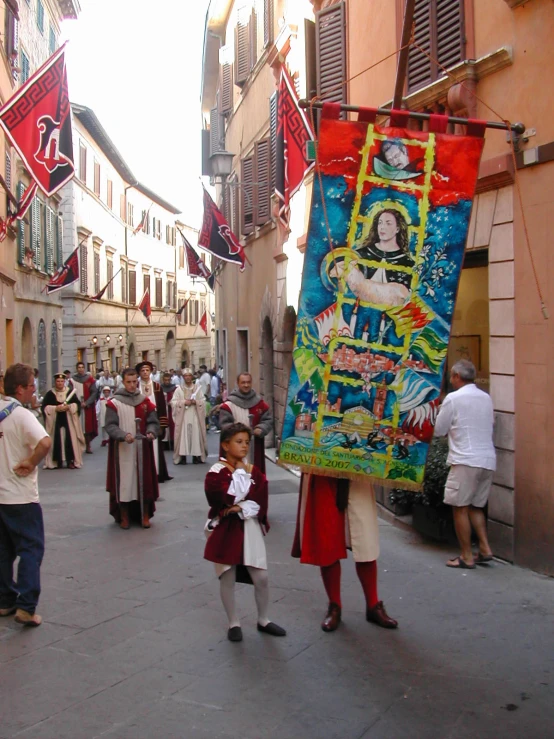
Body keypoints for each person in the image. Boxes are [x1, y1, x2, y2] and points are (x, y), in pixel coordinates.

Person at [204, 423, 286, 642]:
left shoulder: (252, 471)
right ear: (225, 445)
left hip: (249, 527)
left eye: (247, 443)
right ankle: (233, 622)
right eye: (238, 442)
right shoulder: (216, 472)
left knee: (261, 577)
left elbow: (260, 497)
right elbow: (223, 497)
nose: (244, 447)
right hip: (226, 529)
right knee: (227, 576)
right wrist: (241, 495)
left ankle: (263, 619)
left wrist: (242, 506)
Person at [292, 474, 398, 632]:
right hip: (322, 472)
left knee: (364, 540)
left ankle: (373, 605)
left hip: (358, 471)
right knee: (327, 541)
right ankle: (335, 605)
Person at [0, 363, 51, 626]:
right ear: (19, 389)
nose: (34, 390)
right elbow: (45, 442)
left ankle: (5, 600)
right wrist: (31, 462)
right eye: (32, 386)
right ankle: (27, 606)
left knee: (3, 550)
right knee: (31, 549)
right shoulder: (22, 415)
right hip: (21, 496)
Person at [434, 359, 496, 569]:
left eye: (452, 376)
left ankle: (466, 556)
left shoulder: (453, 398)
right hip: (487, 459)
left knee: (460, 507)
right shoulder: (485, 398)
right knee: (476, 507)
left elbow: (439, 430)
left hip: (465, 459)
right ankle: (485, 549)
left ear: (457, 377)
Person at [105, 368, 160, 529]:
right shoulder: (114, 403)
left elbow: (153, 421)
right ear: (123, 382)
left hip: (141, 447)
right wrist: (123, 435)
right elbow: (110, 425)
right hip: (122, 450)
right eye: (128, 382)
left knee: (144, 481)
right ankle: (124, 516)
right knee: (124, 482)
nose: (132, 385)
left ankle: (144, 515)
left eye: (134, 382)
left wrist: (151, 432)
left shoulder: (144, 401)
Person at [219, 373, 272, 474]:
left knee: (255, 473)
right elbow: (224, 425)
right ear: (238, 384)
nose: (246, 385)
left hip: (254, 445)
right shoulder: (229, 405)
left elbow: (268, 420)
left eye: (248, 382)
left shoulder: (259, 404)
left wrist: (261, 429)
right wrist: (237, 433)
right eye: (243, 382)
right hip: (234, 446)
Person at [136, 361, 172, 483]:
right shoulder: (136, 386)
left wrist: (162, 424)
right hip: (140, 421)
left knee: (156, 447)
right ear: (139, 373)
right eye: (142, 370)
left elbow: (162, 406)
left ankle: (157, 472)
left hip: (154, 420)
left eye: (147, 370)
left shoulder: (157, 387)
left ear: (150, 371)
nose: (145, 372)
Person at [42, 373, 86, 469]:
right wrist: (55, 409)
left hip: (68, 421)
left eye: (62, 381)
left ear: (64, 382)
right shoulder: (50, 394)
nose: (60, 383)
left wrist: (69, 407)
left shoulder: (70, 393)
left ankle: (70, 460)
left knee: (70, 439)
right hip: (55, 421)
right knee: (56, 440)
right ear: (55, 382)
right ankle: (57, 461)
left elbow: (77, 405)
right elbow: (44, 407)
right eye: (58, 381)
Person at [171, 368, 207, 464]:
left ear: (192, 377)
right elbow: (173, 402)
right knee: (183, 435)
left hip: (195, 415)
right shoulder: (179, 389)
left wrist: (196, 402)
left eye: (189, 376)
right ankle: (182, 456)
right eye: (185, 376)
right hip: (183, 416)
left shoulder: (197, 388)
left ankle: (197, 456)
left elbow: (203, 401)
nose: (187, 378)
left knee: (196, 433)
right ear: (183, 377)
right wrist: (184, 402)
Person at [72, 362, 98, 454]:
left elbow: (94, 392)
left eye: (82, 367)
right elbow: (69, 393)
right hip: (76, 407)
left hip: (87, 407)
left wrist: (87, 402)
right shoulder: (72, 380)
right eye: (79, 367)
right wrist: (76, 403)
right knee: (77, 426)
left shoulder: (90, 380)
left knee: (87, 427)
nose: (81, 369)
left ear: (84, 368)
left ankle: (88, 445)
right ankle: (77, 446)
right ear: (76, 368)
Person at [160, 372, 177, 450]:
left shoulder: (174, 388)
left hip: (171, 410)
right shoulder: (160, 388)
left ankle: (173, 442)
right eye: (165, 380)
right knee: (164, 425)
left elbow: (177, 398)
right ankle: (165, 443)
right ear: (163, 380)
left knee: (172, 426)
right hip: (163, 409)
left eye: (168, 380)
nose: (167, 382)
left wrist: (172, 402)